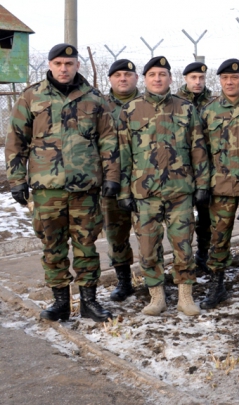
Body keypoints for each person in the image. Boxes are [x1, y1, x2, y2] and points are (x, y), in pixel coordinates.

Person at [5, 43, 119, 322]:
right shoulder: (32, 96)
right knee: (52, 246)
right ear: (50, 65)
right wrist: (17, 179)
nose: (64, 68)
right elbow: (16, 139)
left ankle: (89, 302)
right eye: (58, 63)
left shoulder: (94, 98)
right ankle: (60, 302)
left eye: (69, 64)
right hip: (47, 188)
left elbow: (109, 140)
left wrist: (112, 176)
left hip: (86, 189)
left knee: (87, 245)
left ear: (77, 65)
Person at [117, 56, 210, 317]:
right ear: (144, 79)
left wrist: (202, 184)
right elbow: (123, 154)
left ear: (171, 79)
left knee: (183, 245)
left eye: (163, 74)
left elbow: (198, 149)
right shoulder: (130, 110)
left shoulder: (186, 108)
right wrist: (124, 191)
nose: (158, 78)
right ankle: (156, 296)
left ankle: (185, 296)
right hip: (145, 194)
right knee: (148, 247)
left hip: (180, 191)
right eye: (152, 74)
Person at [199, 58, 239, 308]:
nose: (230, 82)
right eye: (225, 78)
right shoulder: (209, 111)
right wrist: (202, 184)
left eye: (235, 77)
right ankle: (217, 283)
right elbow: (200, 151)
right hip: (220, 185)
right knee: (218, 237)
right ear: (219, 81)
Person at [103, 59, 140, 302]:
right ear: (110, 79)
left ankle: (153, 280)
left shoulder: (146, 105)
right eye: (118, 75)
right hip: (110, 181)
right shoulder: (98, 106)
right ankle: (124, 281)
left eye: (128, 74)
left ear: (136, 78)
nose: (123, 78)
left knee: (148, 234)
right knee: (116, 234)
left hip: (142, 181)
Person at [177, 61, 214, 275]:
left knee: (206, 218)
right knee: (184, 221)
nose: (197, 82)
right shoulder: (176, 103)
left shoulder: (212, 102)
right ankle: (184, 260)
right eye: (193, 78)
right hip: (182, 171)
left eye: (201, 78)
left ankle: (203, 255)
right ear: (185, 79)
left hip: (207, 169)